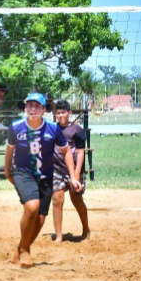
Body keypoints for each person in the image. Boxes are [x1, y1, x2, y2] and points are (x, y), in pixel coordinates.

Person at [5, 93, 81, 268]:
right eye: (29, 105)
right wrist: (8, 172)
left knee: (40, 219)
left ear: (44, 110)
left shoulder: (53, 129)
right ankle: (26, 250)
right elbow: (9, 150)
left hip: (45, 176)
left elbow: (67, 151)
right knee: (32, 207)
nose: (33, 109)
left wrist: (73, 176)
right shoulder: (16, 127)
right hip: (23, 172)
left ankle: (19, 250)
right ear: (25, 109)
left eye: (37, 106)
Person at [51, 100, 90, 242]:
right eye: (58, 113)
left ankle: (86, 230)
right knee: (57, 199)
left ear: (69, 113)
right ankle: (59, 236)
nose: (61, 115)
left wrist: (77, 174)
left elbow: (80, 153)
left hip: (74, 171)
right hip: (57, 171)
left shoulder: (77, 131)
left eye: (63, 112)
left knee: (77, 199)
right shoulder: (52, 130)